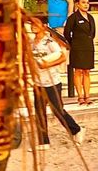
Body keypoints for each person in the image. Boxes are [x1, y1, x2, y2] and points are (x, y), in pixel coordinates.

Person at [29, 18, 85, 148]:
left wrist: (48, 64)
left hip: (52, 82)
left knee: (58, 111)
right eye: (32, 24)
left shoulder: (49, 42)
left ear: (44, 26)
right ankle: (43, 142)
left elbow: (62, 57)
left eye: (36, 24)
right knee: (39, 112)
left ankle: (77, 130)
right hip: (38, 82)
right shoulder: (32, 43)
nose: (33, 26)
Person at [64, 0, 96, 105]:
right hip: (77, 47)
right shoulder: (73, 17)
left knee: (87, 71)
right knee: (78, 71)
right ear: (78, 4)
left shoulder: (90, 17)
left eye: (87, 2)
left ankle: (87, 96)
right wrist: (73, 42)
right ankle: (80, 96)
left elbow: (93, 33)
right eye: (83, 2)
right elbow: (66, 33)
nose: (86, 4)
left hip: (88, 47)